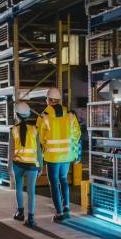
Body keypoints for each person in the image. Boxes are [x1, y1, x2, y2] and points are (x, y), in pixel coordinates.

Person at [37, 87, 81, 223]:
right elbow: (77, 134)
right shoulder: (70, 114)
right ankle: (66, 208)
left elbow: (39, 137)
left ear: (49, 100)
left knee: (54, 183)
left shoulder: (44, 116)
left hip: (52, 156)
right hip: (67, 155)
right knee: (63, 180)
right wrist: (75, 152)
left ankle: (59, 213)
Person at [10, 101, 43, 228]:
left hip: (18, 164)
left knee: (18, 187)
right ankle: (31, 218)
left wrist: (9, 167)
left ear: (16, 115)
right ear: (28, 115)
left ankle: (20, 213)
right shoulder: (35, 130)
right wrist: (40, 166)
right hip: (32, 165)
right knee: (31, 191)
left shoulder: (13, 130)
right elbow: (39, 151)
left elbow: (11, 151)